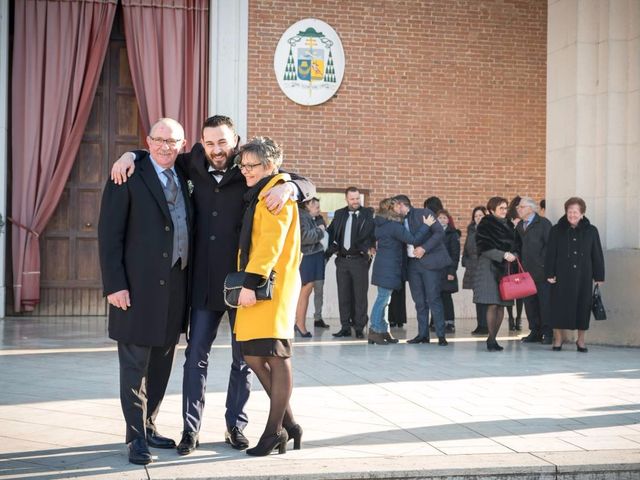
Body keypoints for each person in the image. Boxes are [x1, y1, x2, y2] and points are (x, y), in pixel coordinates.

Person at [110, 115, 315, 454]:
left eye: (223, 143)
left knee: (243, 359)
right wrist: (131, 155)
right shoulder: (193, 162)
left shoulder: (250, 167)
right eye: (209, 143)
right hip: (204, 283)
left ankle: (237, 426)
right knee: (195, 357)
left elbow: (301, 181)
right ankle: (191, 430)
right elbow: (161, 150)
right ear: (200, 144)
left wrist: (291, 187)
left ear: (235, 141)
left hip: (243, 284)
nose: (217, 150)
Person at [98, 118, 192, 465]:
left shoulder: (185, 173)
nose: (166, 146)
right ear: (148, 141)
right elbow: (109, 236)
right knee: (134, 366)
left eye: (174, 141)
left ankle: (149, 424)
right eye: (159, 140)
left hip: (176, 288)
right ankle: (135, 438)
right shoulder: (127, 175)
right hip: (135, 290)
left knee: (162, 365)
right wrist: (115, 284)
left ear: (183, 145)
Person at [234, 137, 301, 456]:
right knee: (253, 355)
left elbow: (270, 246)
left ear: (271, 165)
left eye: (252, 165)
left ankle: (273, 432)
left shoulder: (276, 195)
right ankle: (290, 425)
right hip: (264, 284)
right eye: (243, 164)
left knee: (276, 355)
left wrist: (250, 282)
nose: (245, 170)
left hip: (271, 286)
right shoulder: (262, 192)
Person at [368, 198, 433, 345]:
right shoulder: (393, 226)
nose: (400, 208)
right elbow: (413, 238)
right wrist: (425, 225)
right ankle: (374, 330)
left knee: (385, 300)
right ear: (391, 209)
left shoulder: (381, 224)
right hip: (389, 267)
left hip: (383, 265)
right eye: (398, 206)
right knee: (382, 300)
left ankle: (383, 331)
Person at [545, 197, 605, 352]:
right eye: (569, 212)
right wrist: (549, 273)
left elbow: (597, 254)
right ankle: (558, 339)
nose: (572, 215)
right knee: (558, 307)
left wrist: (599, 276)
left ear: (582, 213)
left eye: (576, 212)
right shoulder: (556, 230)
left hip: (584, 276)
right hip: (561, 276)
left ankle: (581, 340)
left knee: (583, 308)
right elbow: (550, 254)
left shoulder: (591, 231)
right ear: (566, 213)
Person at [393, 195, 451, 346]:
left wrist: (424, 248)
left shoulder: (424, 213)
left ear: (400, 204)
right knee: (419, 301)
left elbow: (439, 233)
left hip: (429, 263)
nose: (393, 209)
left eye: (394, 206)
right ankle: (422, 334)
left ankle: (441, 335)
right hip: (412, 264)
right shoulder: (398, 220)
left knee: (433, 299)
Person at [326, 187, 376, 339]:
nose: (355, 202)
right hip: (342, 260)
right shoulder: (340, 214)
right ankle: (345, 327)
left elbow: (373, 232)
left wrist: (371, 246)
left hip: (359, 260)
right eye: (352, 199)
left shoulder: (367, 213)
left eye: (357, 199)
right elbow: (331, 232)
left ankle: (359, 327)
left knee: (360, 295)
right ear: (346, 199)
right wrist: (330, 250)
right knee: (344, 295)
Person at [474, 196, 519, 352]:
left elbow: (517, 245)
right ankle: (491, 340)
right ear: (491, 210)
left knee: (502, 305)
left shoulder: (510, 225)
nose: (504, 211)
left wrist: (514, 255)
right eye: (501, 208)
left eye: (506, 208)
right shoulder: (485, 224)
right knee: (493, 304)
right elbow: (483, 247)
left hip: (506, 269)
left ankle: (493, 338)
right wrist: (502, 255)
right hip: (489, 268)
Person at [516, 197, 553, 345]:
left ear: (531, 209)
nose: (519, 209)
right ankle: (535, 331)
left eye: (522, 207)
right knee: (530, 304)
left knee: (544, 303)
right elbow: (517, 245)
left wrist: (543, 264)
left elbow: (550, 247)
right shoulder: (519, 225)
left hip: (542, 272)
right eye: (519, 207)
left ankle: (548, 333)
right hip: (525, 272)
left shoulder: (543, 224)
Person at [295, 198, 326, 338]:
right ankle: (300, 325)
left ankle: (298, 323)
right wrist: (320, 231)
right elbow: (305, 237)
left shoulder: (310, 217)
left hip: (313, 256)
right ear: (307, 205)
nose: (319, 210)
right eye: (316, 207)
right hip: (308, 256)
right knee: (305, 291)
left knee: (306, 290)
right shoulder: (302, 216)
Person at [462, 206, 488, 335]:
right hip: (472, 267)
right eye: (476, 216)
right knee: (477, 298)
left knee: (484, 297)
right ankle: (480, 324)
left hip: (484, 268)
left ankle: (486, 325)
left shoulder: (489, 230)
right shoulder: (471, 230)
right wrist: (466, 262)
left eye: (481, 215)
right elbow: (466, 249)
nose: (478, 218)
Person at [436, 209, 461, 333]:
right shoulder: (433, 233)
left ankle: (449, 323)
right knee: (436, 297)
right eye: (439, 218)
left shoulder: (453, 234)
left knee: (446, 297)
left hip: (447, 270)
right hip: (435, 271)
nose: (442, 220)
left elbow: (455, 255)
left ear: (448, 220)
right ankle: (437, 322)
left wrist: (452, 271)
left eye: (444, 218)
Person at [311, 201, 330, 329]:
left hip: (320, 259)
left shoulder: (320, 220)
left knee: (319, 291)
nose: (319, 209)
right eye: (316, 207)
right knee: (302, 292)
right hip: (306, 259)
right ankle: (296, 319)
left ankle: (318, 318)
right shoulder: (302, 220)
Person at [506, 196, 524, 331]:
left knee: (521, 291)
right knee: (509, 290)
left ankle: (518, 318)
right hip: (508, 260)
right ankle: (510, 317)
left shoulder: (525, 222)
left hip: (520, 260)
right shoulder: (507, 221)